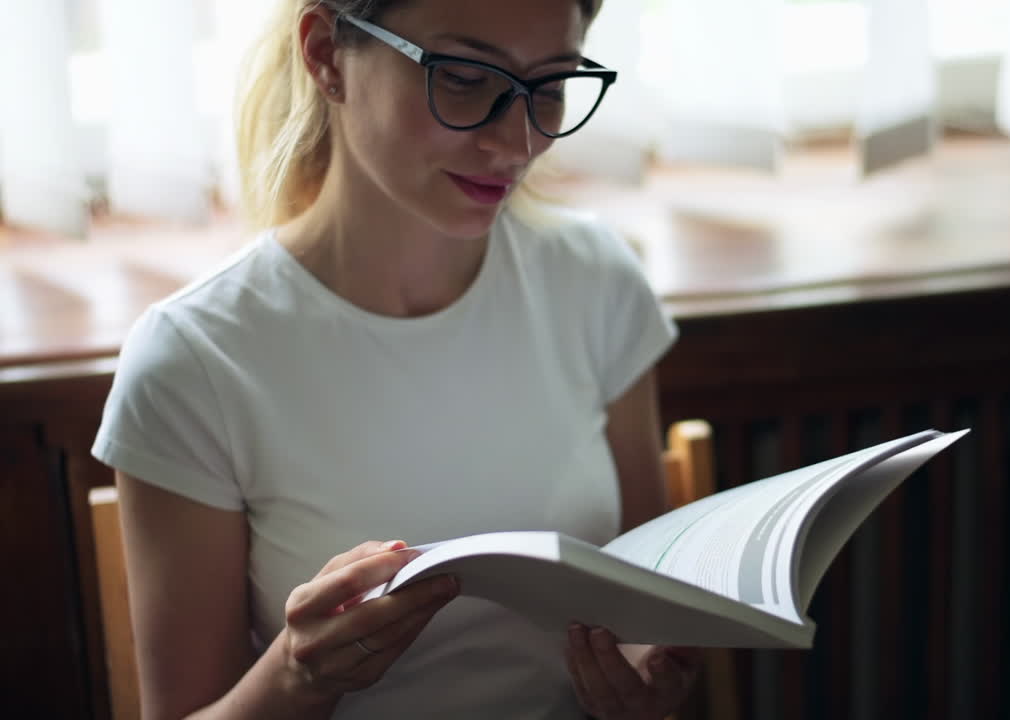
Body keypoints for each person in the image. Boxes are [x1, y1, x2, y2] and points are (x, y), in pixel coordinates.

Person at [91, 0, 700, 717]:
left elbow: (644, 610)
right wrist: (296, 675)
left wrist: (649, 681)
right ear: (325, 56)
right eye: (468, 78)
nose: (517, 140)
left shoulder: (593, 280)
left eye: (552, 84)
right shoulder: (195, 362)